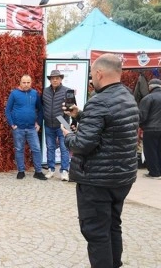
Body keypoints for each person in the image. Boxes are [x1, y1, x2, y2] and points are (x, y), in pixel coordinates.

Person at [61, 53, 139, 268]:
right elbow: (109, 126)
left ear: (99, 73)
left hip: (97, 180)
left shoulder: (100, 101)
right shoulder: (127, 96)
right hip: (121, 177)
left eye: (92, 75)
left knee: (96, 232)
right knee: (113, 225)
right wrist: (80, 115)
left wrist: (68, 135)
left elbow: (82, 145)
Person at [5, 75, 47, 180]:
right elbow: (7, 110)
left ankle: (38, 172)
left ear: (31, 83)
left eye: (28, 82)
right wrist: (12, 124)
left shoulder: (34, 93)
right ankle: (21, 171)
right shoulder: (14, 94)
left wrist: (38, 123)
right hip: (18, 128)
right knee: (19, 149)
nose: (26, 84)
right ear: (20, 82)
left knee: (36, 149)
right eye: (24, 82)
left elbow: (40, 109)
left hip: (32, 128)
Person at [42, 70, 71, 181]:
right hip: (49, 123)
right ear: (50, 79)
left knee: (64, 148)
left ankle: (64, 171)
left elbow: (72, 108)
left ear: (61, 79)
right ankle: (51, 169)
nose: (55, 80)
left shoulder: (67, 91)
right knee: (50, 147)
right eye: (53, 78)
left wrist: (67, 123)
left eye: (57, 78)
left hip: (63, 122)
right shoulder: (45, 91)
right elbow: (42, 107)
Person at [138, 78, 161, 179]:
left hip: (151, 129)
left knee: (150, 151)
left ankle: (154, 173)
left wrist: (140, 125)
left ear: (150, 87)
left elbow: (142, 115)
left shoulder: (148, 98)